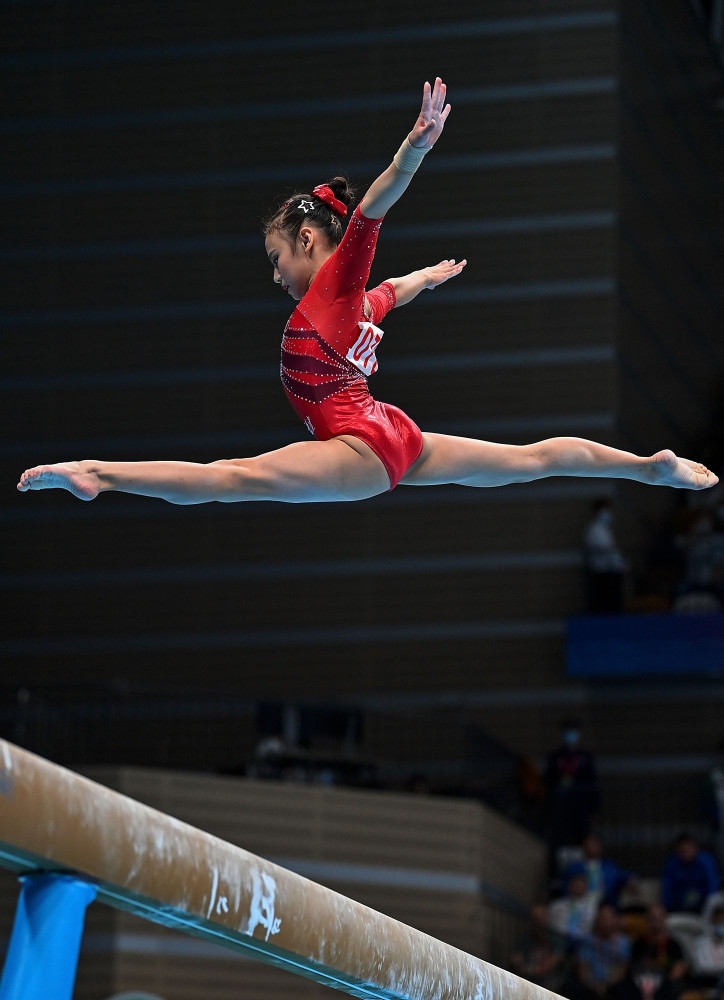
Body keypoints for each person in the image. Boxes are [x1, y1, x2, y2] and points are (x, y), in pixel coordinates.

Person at [16, 79, 719, 507]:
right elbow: (391, 295)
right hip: (391, 433)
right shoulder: (351, 304)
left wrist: (414, 147)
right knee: (531, 460)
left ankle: (97, 474)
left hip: (358, 446)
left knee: (231, 478)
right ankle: (647, 470)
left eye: (275, 258)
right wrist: (425, 280)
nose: (274, 276)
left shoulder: (335, 278)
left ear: (308, 240)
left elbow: (380, 203)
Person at [546, 720, 601, 865]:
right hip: (561, 807)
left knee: (582, 839)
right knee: (562, 842)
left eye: (573, 732)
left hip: (581, 806)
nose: (571, 736)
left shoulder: (585, 757)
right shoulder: (556, 757)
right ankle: (562, 873)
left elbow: (592, 782)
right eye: (568, 732)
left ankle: (583, 872)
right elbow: (548, 781)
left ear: (579, 734)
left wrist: (594, 807)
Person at [562, 834, 637, 908]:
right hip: (582, 902)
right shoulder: (573, 868)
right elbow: (565, 889)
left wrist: (630, 880)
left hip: (605, 902)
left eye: (594, 845)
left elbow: (623, 875)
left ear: (600, 847)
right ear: (583, 848)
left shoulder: (609, 866)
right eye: (588, 845)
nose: (591, 848)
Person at [584, 498, 627, 612]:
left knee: (615, 602)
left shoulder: (606, 530)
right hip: (601, 573)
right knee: (604, 603)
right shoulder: (594, 529)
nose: (608, 514)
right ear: (598, 512)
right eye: (606, 511)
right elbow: (604, 549)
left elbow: (612, 550)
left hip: (612, 571)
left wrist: (621, 564)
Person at [661, 833, 721, 914]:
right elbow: (667, 891)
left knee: (714, 900)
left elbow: (713, 887)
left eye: (688, 848)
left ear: (696, 848)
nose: (685, 852)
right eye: (682, 850)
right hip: (679, 909)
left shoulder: (705, 861)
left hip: (703, 909)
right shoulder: (672, 864)